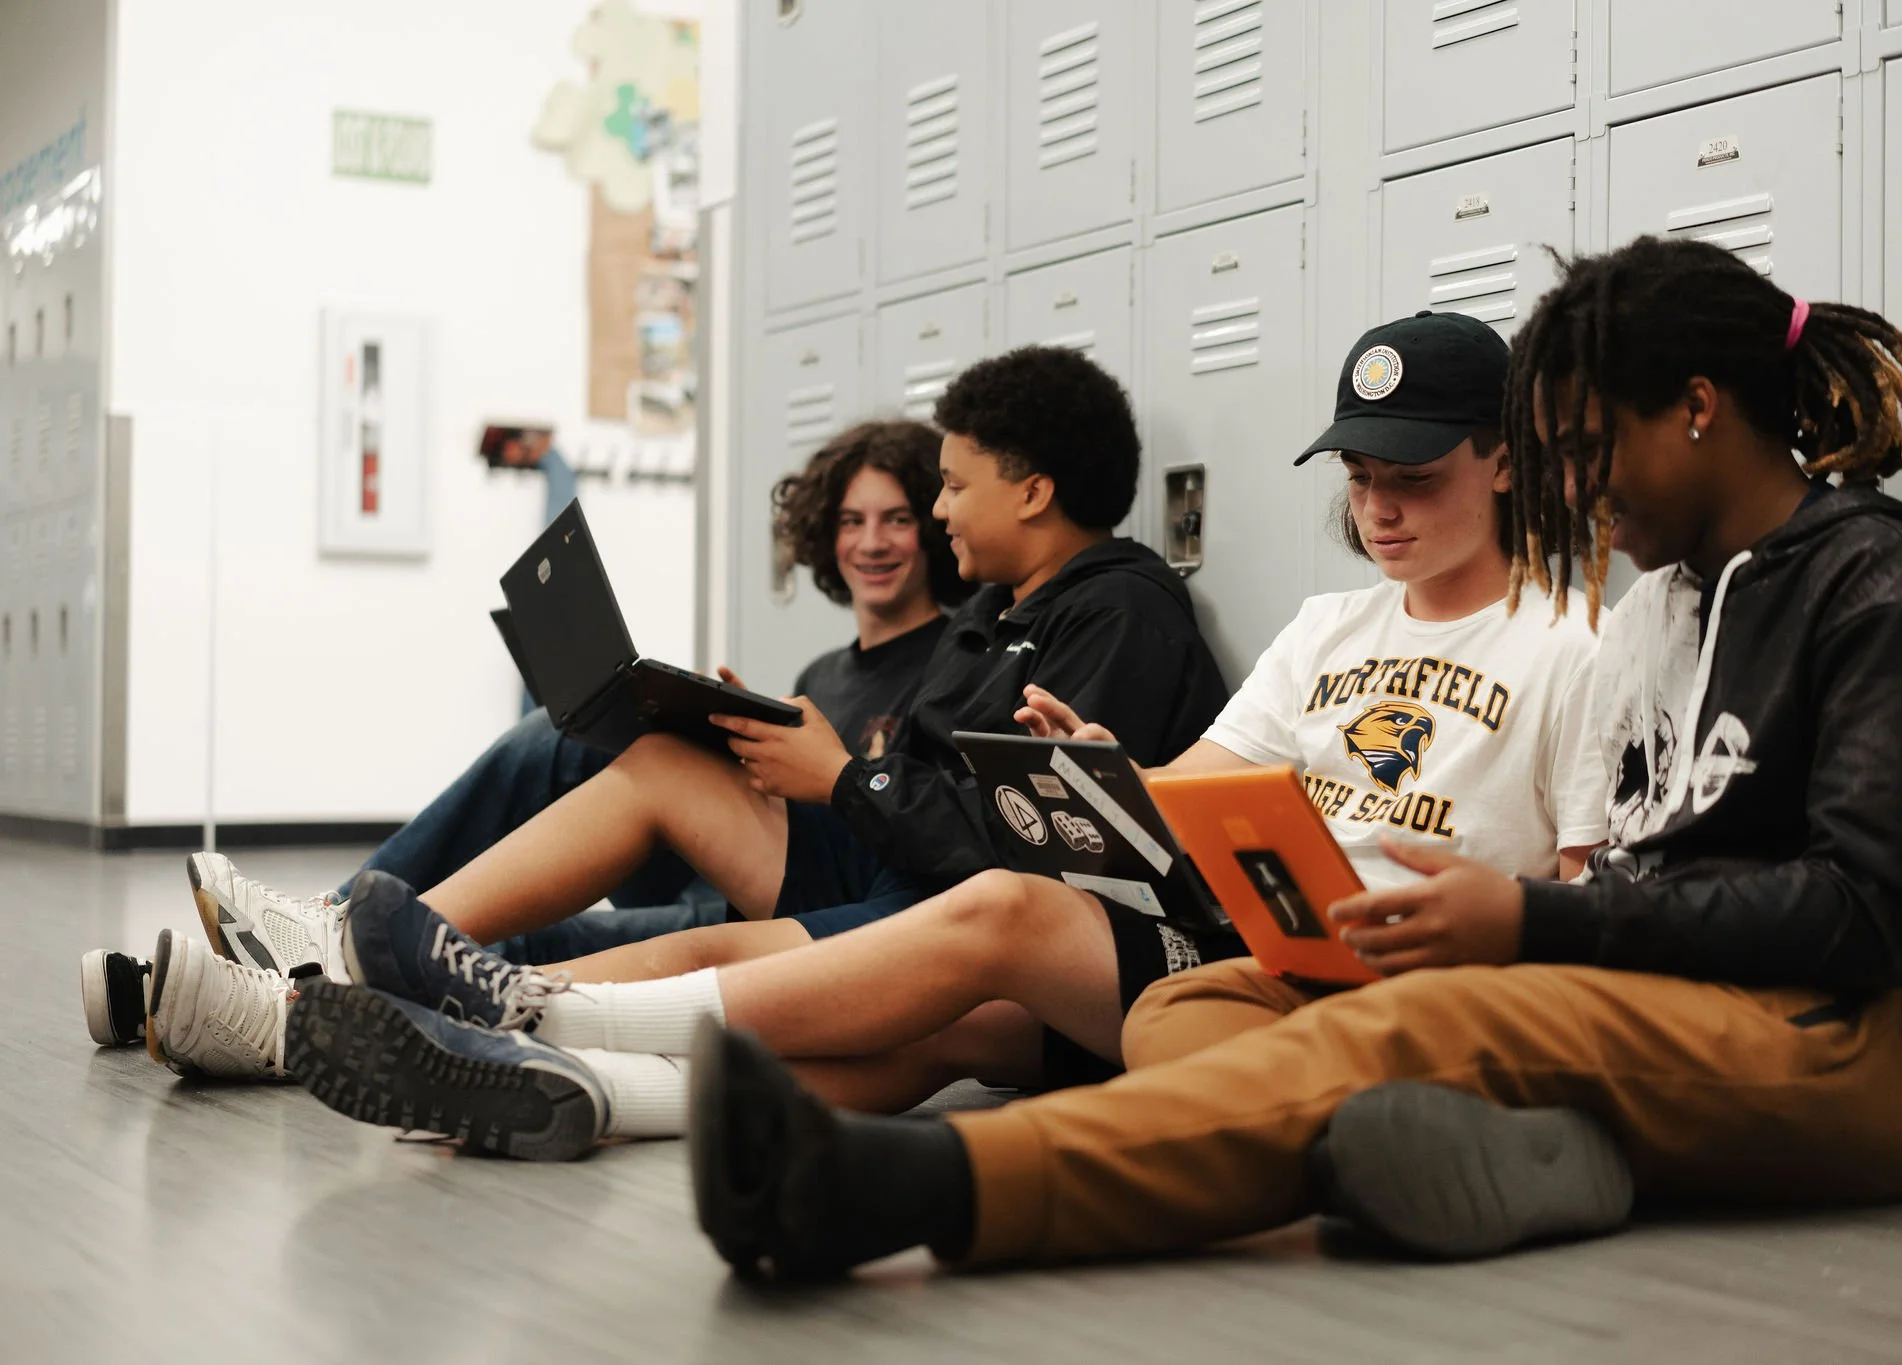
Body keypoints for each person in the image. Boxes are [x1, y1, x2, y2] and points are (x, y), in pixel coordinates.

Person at [681, 235, 1902, 1279]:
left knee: (1439, 1018)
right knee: (1198, 1005)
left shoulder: (1878, 590)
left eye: (1580, 446)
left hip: (1877, 1049)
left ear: (1696, 409)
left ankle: (905, 1190)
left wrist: (1531, 920)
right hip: (1690, 996)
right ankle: (1549, 1156)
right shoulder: (1665, 604)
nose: (1569, 485)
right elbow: (1644, 863)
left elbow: (1863, 914)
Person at [271, 310, 1612, 1162]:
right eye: (1363, 478)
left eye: (1415, 477)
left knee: (993, 933)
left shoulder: (1572, 642)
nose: (1380, 508)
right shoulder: (1330, 626)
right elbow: (1187, 793)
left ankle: (527, 1007)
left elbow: (1585, 896)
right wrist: (1095, 769)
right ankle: (562, 1082)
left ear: (1506, 462)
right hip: (1246, 937)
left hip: (1402, 980)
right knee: (945, 1022)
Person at [147, 349, 1233, 1137]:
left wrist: (844, 779)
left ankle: (313, 1017)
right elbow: (927, 792)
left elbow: (1024, 851)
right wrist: (804, 761)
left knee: (698, 953)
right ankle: (329, 951)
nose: (938, 514)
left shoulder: (1119, 612)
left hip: (961, 896)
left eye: (949, 486)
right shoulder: (989, 616)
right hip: (900, 862)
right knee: (658, 764)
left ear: (1033, 491)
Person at [80, 419, 968, 1048]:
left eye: (896, 518)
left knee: (515, 944)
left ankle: (257, 992)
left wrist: (832, 770)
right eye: (853, 520)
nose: (873, 541)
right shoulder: (823, 674)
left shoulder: (954, 661)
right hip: (733, 864)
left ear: (933, 528)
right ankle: (282, 952)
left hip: (802, 907)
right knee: (557, 740)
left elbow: (908, 830)